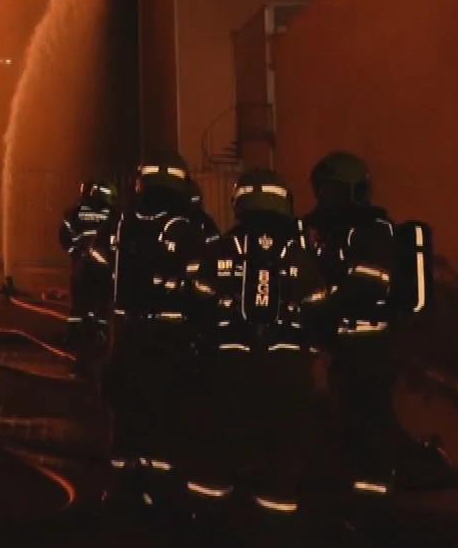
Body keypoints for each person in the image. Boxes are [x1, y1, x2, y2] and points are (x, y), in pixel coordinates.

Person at [184, 170, 329, 520]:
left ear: (240, 203)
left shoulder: (221, 249)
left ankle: (209, 516)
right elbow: (320, 311)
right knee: (283, 443)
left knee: (218, 440)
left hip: (228, 363)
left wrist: (205, 344)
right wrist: (309, 353)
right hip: (287, 367)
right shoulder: (298, 255)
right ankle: (275, 513)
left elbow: (197, 304)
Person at [104, 151, 218, 506]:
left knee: (127, 408)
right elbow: (208, 280)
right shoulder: (192, 222)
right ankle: (160, 491)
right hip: (171, 335)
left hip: (129, 331)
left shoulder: (127, 219)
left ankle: (124, 487)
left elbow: (104, 263)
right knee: (165, 411)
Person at [302, 151, 406, 499]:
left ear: (355, 191)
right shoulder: (330, 233)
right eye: (322, 190)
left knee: (370, 421)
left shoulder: (373, 229)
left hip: (370, 344)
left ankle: (375, 497)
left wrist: (325, 304)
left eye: (331, 190)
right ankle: (356, 490)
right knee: (348, 419)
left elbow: (369, 283)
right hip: (344, 344)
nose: (324, 197)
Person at [59, 180, 119, 346]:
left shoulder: (74, 213)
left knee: (79, 304)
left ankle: (74, 335)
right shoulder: (114, 215)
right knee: (103, 304)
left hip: (82, 268)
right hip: (104, 268)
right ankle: (101, 336)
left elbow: (64, 237)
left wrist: (75, 253)